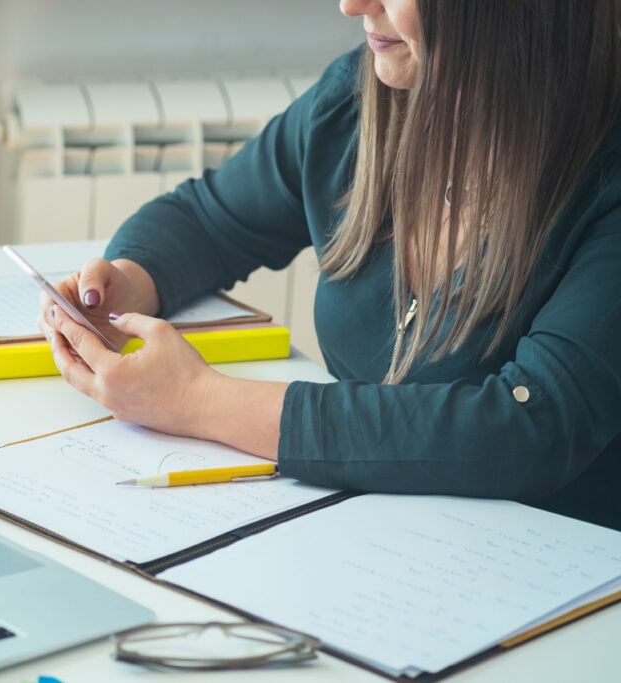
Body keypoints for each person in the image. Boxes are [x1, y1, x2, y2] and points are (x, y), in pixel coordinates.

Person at [37, 0, 621, 530]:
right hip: (371, 541)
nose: (351, 5)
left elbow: (533, 426)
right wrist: (130, 281)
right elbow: (208, 218)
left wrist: (198, 402)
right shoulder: (359, 102)